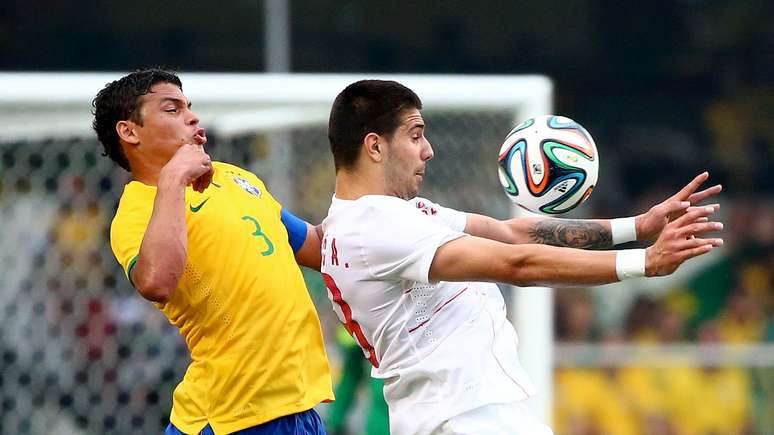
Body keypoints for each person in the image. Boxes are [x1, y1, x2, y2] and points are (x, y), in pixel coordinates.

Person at [319, 79, 724, 435]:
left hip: (466, 414)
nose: (428, 150)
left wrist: (637, 227)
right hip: (460, 418)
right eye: (415, 135)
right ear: (374, 146)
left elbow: (511, 232)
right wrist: (644, 262)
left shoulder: (393, 216)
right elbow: (517, 264)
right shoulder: (374, 226)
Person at [92, 69, 334, 435]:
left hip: (297, 406)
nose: (192, 117)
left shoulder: (236, 178)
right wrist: (174, 178)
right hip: (228, 416)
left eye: (189, 107)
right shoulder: (135, 213)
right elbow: (157, 281)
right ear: (129, 132)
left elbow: (317, 247)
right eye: (172, 109)